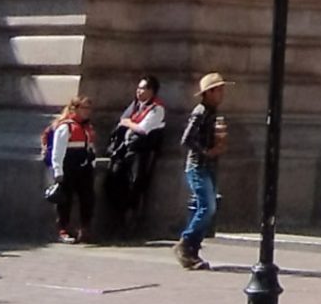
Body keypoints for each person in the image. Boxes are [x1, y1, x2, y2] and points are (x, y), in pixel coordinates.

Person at [103, 75, 166, 236]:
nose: (139, 91)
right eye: (138, 88)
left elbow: (143, 129)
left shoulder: (156, 109)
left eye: (143, 88)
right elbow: (122, 119)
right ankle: (116, 217)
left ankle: (130, 223)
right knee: (114, 178)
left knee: (135, 184)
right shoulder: (135, 105)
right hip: (125, 150)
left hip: (141, 152)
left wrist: (128, 123)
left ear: (152, 91)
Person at [176, 72, 227, 269]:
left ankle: (192, 251)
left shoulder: (213, 112)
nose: (222, 94)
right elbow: (187, 138)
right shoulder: (200, 111)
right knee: (208, 207)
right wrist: (206, 152)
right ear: (209, 93)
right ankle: (186, 243)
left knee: (205, 207)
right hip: (198, 165)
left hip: (210, 165)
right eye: (218, 90)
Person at [42, 96, 97, 243]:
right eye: (84, 108)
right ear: (75, 109)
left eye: (89, 108)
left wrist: (92, 163)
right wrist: (58, 171)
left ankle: (84, 228)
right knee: (65, 200)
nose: (87, 112)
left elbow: (90, 146)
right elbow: (58, 151)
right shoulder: (65, 126)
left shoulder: (87, 126)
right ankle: (63, 229)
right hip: (69, 165)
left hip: (84, 166)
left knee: (87, 197)